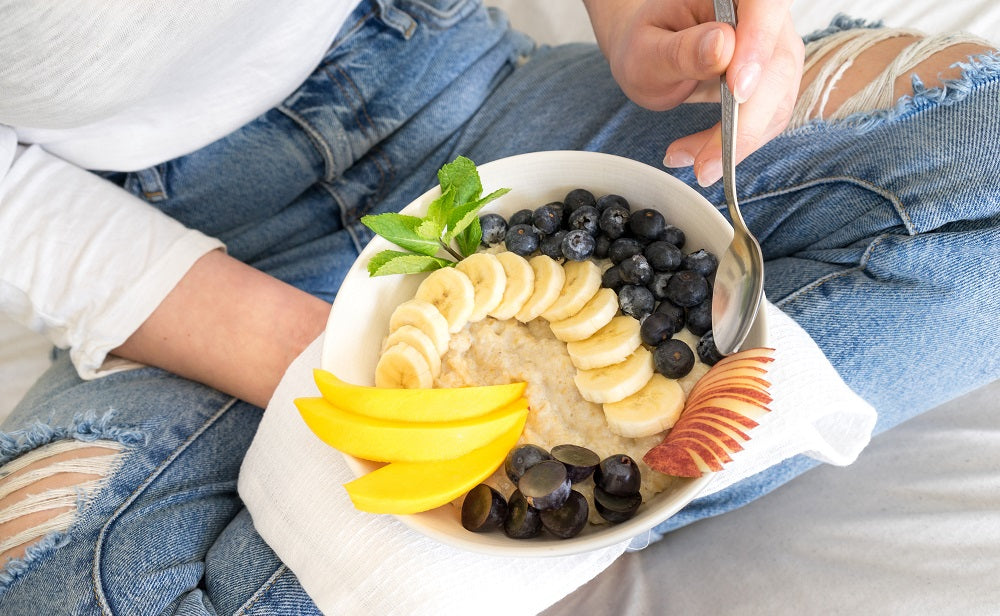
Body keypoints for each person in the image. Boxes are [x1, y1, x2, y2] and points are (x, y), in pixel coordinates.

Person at [1, 0, 997, 612]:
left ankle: (492, 565)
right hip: (175, 255)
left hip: (453, 85)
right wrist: (338, 369)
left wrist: (633, 9)